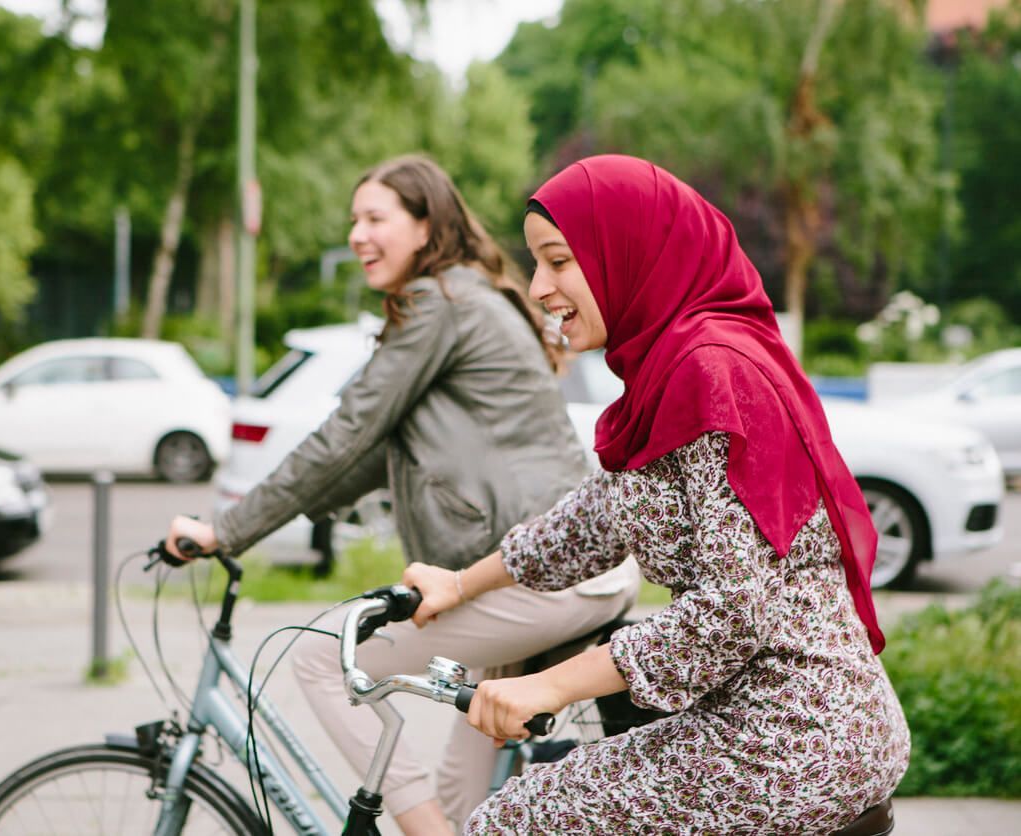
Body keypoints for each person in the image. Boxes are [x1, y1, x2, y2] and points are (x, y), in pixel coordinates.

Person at [406, 155, 911, 834]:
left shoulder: (711, 372)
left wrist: (549, 684)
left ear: (628, 252)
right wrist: (459, 583)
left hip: (793, 736)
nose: (537, 287)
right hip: (772, 722)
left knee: (517, 817)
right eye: (536, 263)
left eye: (558, 261)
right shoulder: (669, 371)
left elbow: (732, 612)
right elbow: (592, 521)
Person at [165, 154, 640, 835]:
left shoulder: (439, 303)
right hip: (548, 572)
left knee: (319, 656)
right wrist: (258, 524)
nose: (357, 234)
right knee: (460, 798)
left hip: (539, 576)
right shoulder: (463, 296)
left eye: (374, 218)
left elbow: (345, 433)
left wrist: (227, 530)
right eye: (353, 220)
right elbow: (367, 458)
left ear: (424, 227)